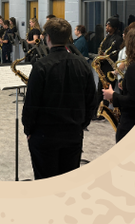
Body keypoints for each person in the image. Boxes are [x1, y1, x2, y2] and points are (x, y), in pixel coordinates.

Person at [21, 17, 101, 179]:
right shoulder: (83, 65)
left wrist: (28, 130)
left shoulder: (41, 66)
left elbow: (31, 104)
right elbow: (91, 101)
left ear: (48, 38)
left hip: (44, 136)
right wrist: (80, 125)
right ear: (68, 38)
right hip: (73, 134)